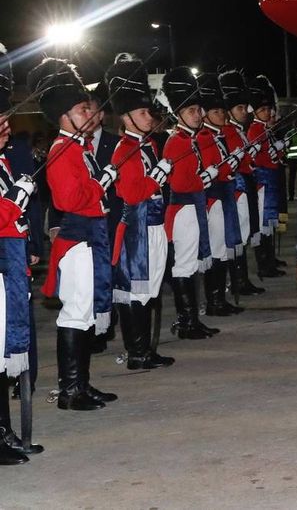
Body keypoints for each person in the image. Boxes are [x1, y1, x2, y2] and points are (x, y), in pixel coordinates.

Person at [31, 58, 119, 411]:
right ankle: (70, 390)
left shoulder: (78, 149)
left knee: (85, 315)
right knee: (75, 314)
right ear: (65, 116)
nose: (91, 114)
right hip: (78, 241)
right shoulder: (62, 150)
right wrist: (101, 185)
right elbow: (69, 199)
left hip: (90, 239)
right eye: (84, 109)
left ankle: (82, 384)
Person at [107, 54, 176, 370]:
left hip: (154, 225)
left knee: (150, 291)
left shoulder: (146, 146)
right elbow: (131, 193)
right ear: (126, 118)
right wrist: (156, 178)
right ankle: (137, 352)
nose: (150, 117)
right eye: (143, 112)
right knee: (137, 293)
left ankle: (146, 349)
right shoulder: (125, 149)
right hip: (138, 229)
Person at [160, 66, 219, 340]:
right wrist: (206, 177)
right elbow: (181, 183)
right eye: (191, 110)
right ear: (178, 113)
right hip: (183, 209)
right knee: (184, 265)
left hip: (192, 207)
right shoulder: (177, 141)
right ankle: (187, 321)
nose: (198, 115)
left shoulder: (190, 139)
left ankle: (191, 319)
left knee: (191, 264)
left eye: (198, 109)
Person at [0, 67, 40, 460]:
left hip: (8, 263)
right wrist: (14, 200)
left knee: (3, 352)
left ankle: (5, 430)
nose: (7, 127)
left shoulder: (4, 162)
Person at [195, 73, 246, 315]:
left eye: (222, 112)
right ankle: (213, 300)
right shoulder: (205, 138)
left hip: (224, 197)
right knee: (216, 249)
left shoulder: (217, 136)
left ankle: (219, 298)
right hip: (213, 199)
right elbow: (214, 169)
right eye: (216, 112)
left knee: (223, 248)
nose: (222, 116)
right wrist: (230, 163)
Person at [218, 69, 266, 298]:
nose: (245, 112)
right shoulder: (228, 132)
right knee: (238, 235)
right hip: (237, 188)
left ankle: (242, 279)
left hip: (246, 184)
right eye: (239, 108)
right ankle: (237, 280)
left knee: (245, 234)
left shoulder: (238, 131)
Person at [248, 75, 287, 278]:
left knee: (270, 224)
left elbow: (271, 154)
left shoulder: (264, 129)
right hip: (262, 182)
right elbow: (258, 158)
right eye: (262, 110)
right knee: (264, 225)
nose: (267, 113)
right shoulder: (256, 129)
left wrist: (279, 148)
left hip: (271, 180)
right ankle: (264, 263)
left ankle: (270, 259)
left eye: (267, 109)